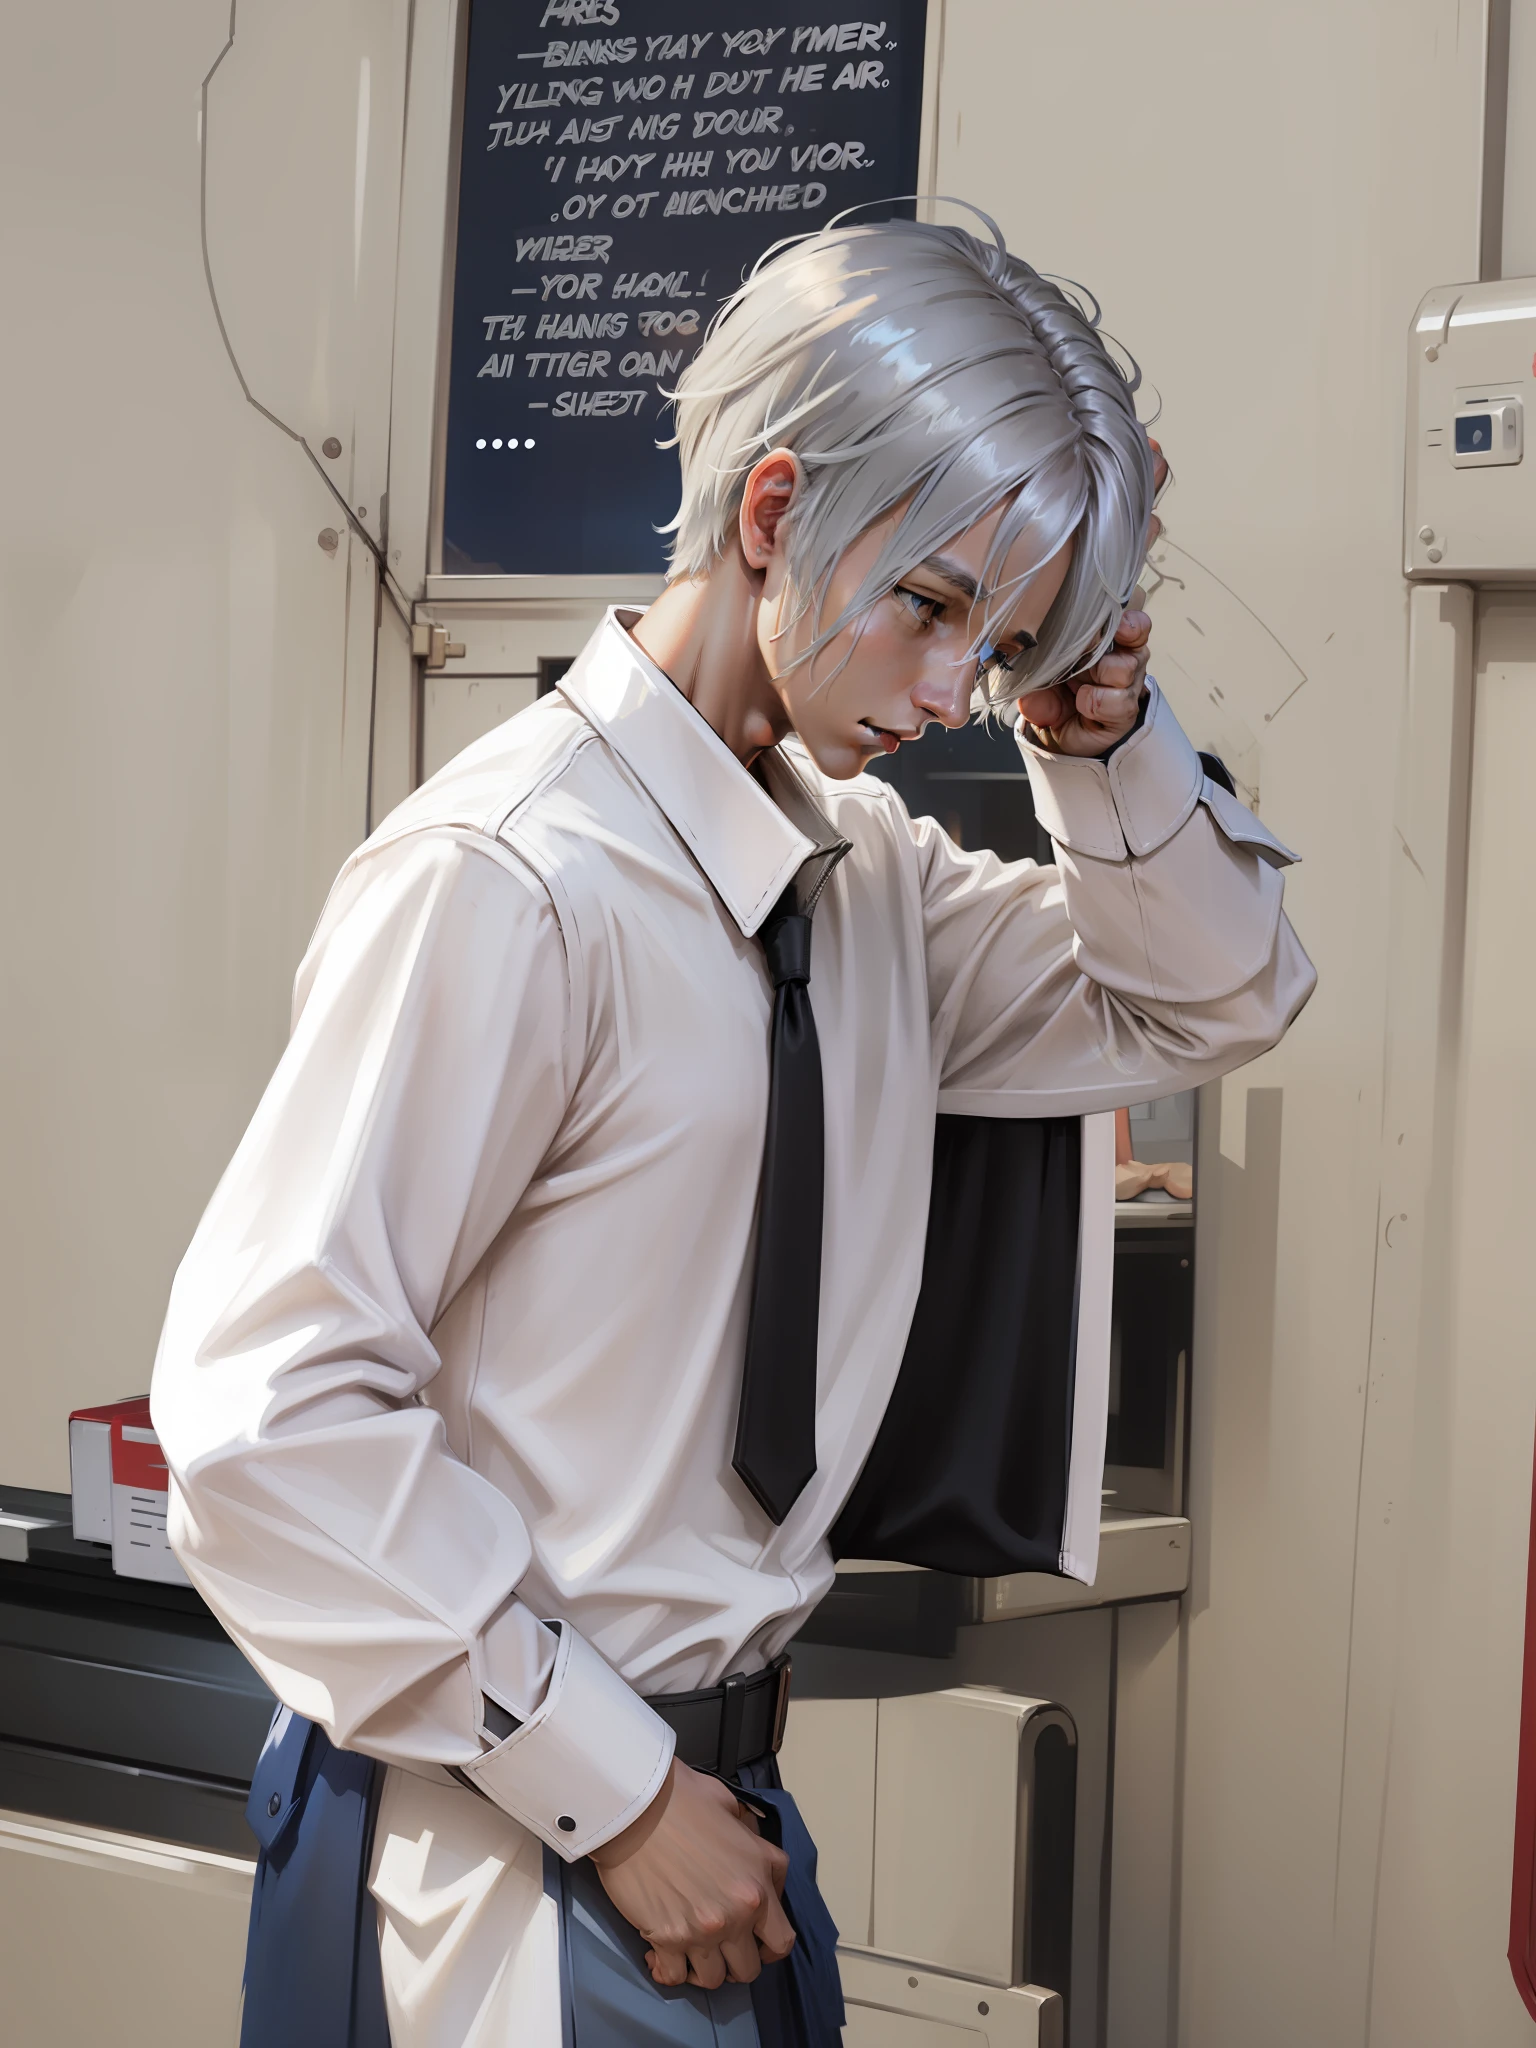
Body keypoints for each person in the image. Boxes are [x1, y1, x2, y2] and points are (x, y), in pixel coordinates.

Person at [151, 214, 1315, 2048]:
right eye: (935, 608)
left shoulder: (865, 884)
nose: (954, 693)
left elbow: (1209, 997)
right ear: (772, 510)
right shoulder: (504, 880)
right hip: (508, 1846)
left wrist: (1098, 726)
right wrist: (610, 1789)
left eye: (998, 637)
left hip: (731, 1820)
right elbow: (261, 1416)